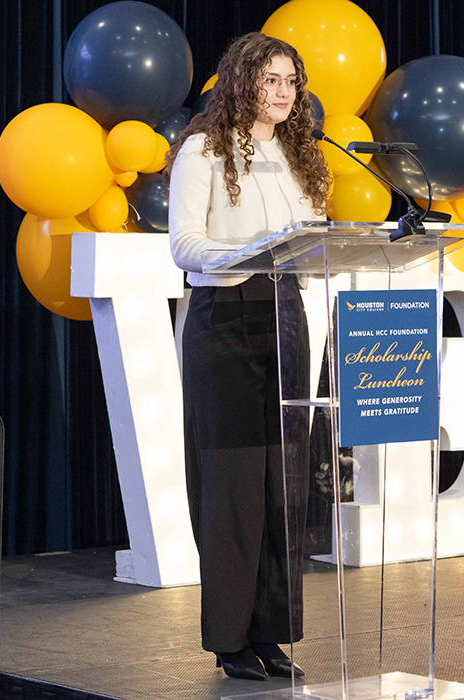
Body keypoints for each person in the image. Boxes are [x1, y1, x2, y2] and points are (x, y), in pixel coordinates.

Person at [165, 32, 329, 681]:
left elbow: (314, 238)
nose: (284, 92)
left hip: (287, 310)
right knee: (232, 484)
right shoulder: (203, 150)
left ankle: (271, 631)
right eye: (272, 80)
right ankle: (230, 640)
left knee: (282, 484)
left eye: (292, 81)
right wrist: (240, 257)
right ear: (242, 81)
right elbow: (183, 244)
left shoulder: (299, 156)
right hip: (224, 318)